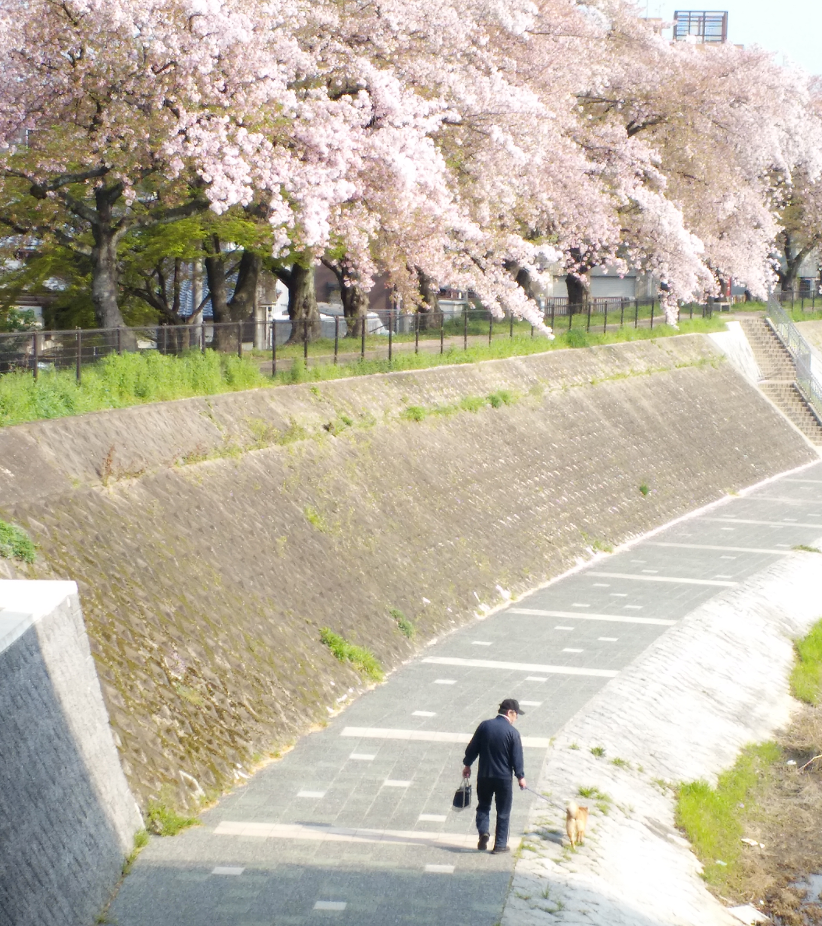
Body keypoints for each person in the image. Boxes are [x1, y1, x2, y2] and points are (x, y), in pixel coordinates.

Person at [462, 698, 526, 853]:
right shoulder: (513, 733)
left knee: (484, 806)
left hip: (484, 775)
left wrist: (467, 764)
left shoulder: (485, 726)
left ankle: (484, 832)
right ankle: (500, 845)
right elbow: (516, 758)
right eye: (516, 715)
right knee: (503, 811)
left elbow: (472, 748)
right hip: (503, 778)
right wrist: (520, 777)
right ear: (510, 713)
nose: (516, 719)